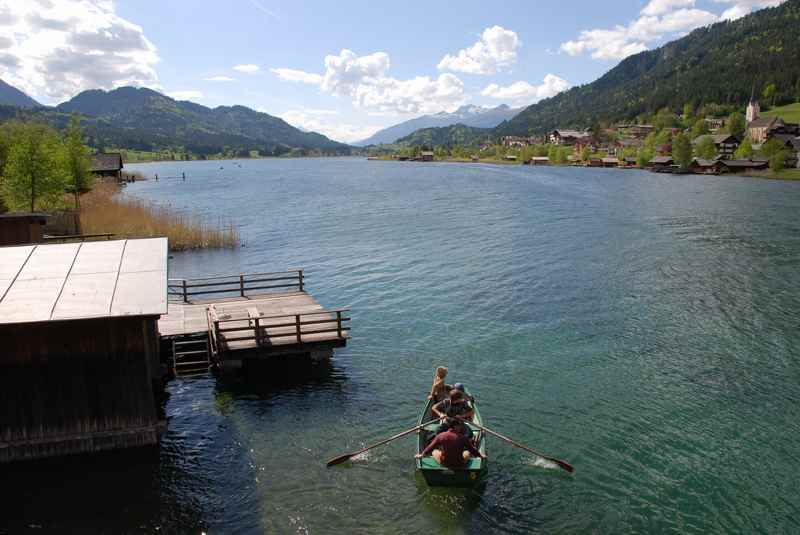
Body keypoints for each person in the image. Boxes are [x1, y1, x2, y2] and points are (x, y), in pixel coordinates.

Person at [415, 418, 485, 469]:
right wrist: (480, 456)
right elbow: (472, 450)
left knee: (434, 451)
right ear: (455, 426)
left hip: (445, 463)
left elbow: (430, 447)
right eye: (459, 426)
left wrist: (422, 455)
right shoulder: (463, 438)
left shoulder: (441, 436)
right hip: (459, 464)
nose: (461, 427)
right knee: (467, 452)